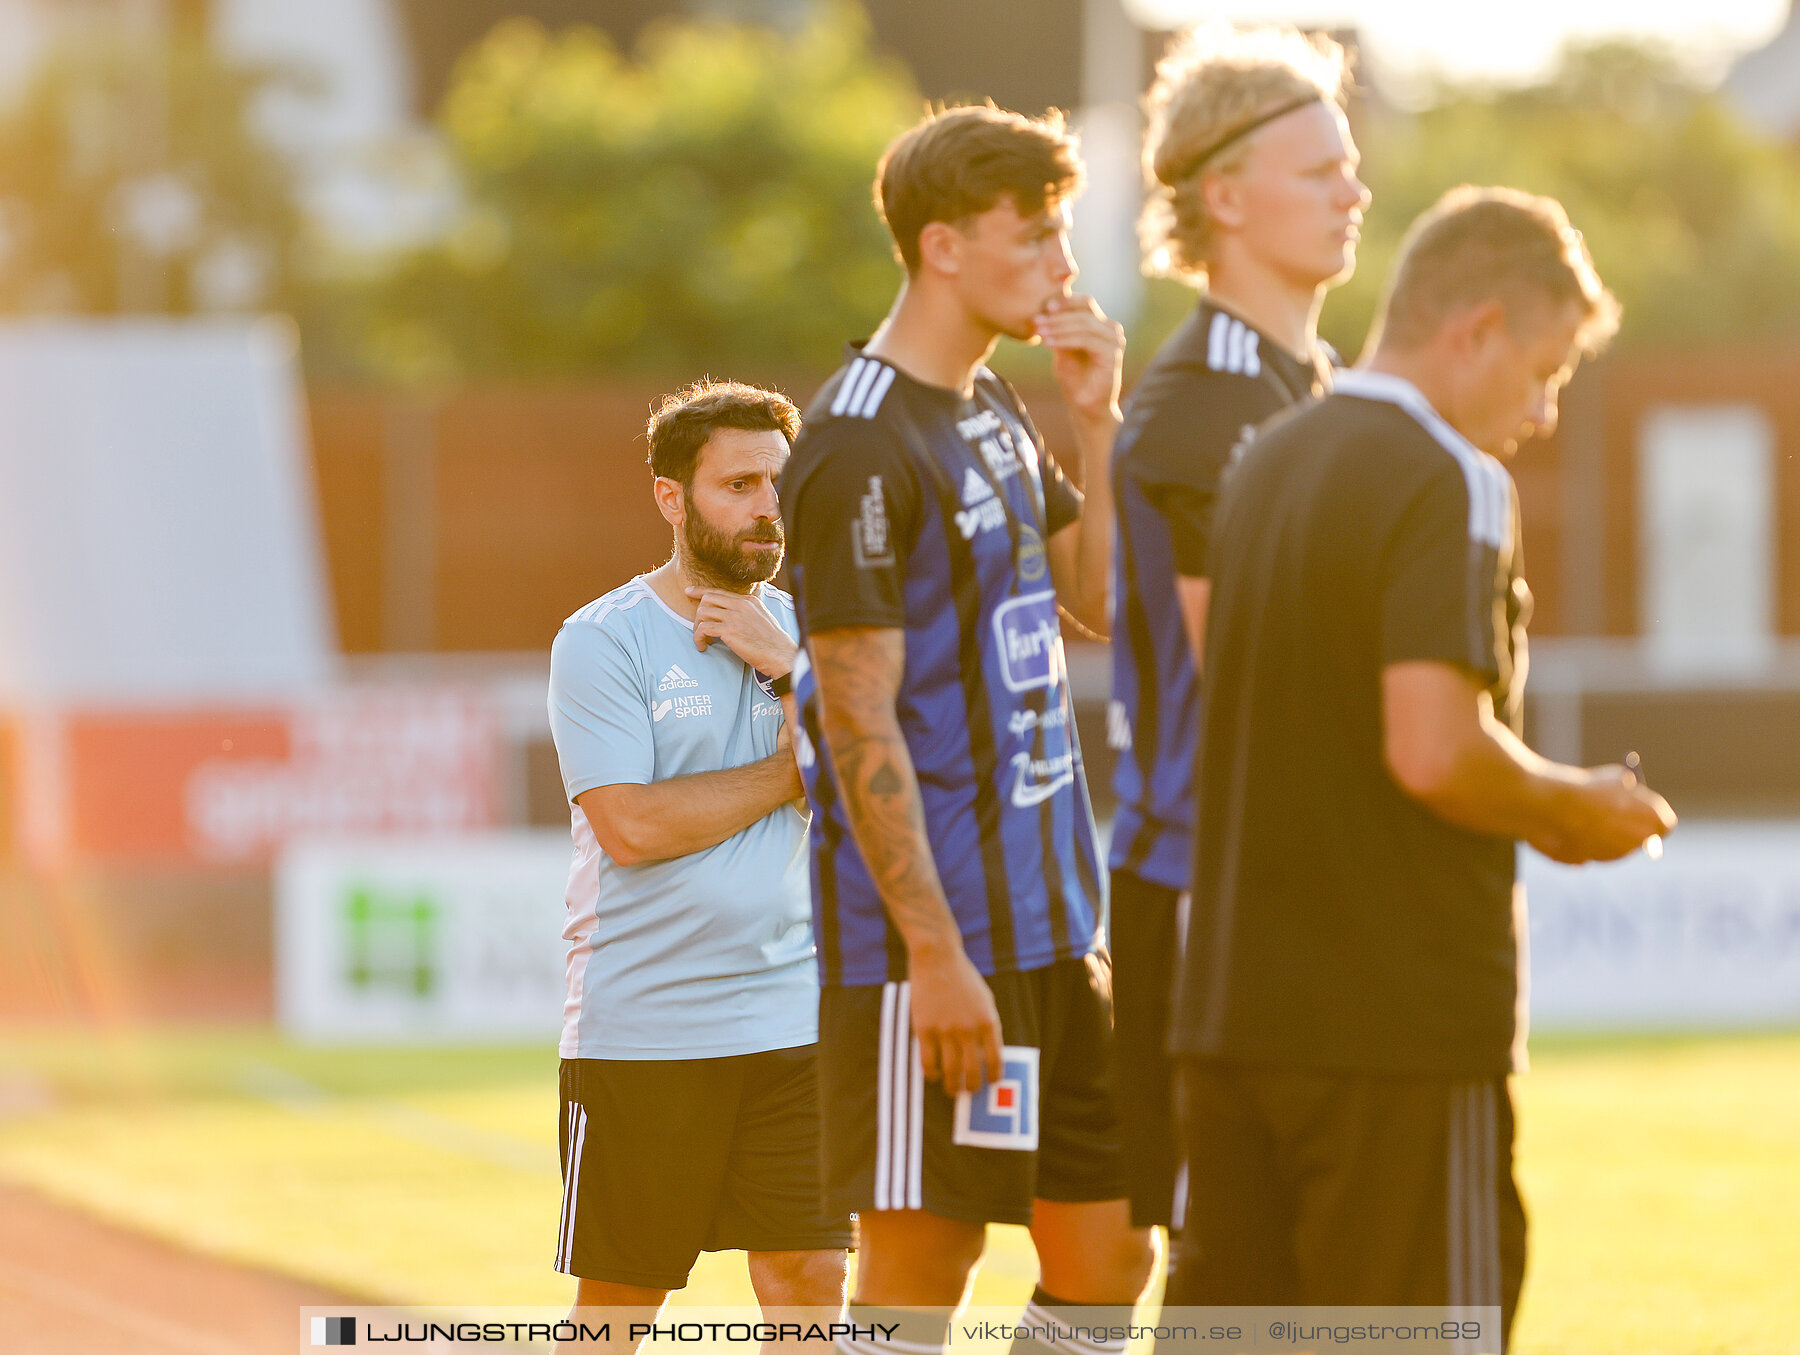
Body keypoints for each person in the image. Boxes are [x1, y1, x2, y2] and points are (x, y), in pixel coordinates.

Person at [1165, 187, 1677, 1346]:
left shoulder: (1263, 462)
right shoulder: (1450, 476)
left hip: (1234, 1013)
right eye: (1545, 371)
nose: (1545, 413)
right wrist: (1575, 806)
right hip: (1390, 1030)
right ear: (1479, 327)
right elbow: (1433, 748)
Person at [778, 105, 1154, 1354]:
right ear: (943, 246)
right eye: (1036, 233)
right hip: (934, 950)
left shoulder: (994, 407)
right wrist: (934, 953)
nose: (1064, 261)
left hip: (1057, 923)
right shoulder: (856, 441)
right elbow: (854, 714)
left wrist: (1095, 421)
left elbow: (1095, 600)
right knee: (924, 1258)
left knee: (1110, 1251)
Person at [1105, 23, 1368, 1236]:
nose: (1352, 191)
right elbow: (1267, 683)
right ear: (1222, 194)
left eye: (1349, 165)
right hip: (1210, 888)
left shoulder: (1307, 388)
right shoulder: (1207, 405)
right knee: (1229, 1263)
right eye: (1319, 171)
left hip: (1292, 880)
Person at [547, 381, 849, 1346]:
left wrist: (790, 668)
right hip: (647, 1029)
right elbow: (631, 826)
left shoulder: (816, 635)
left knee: (809, 1281)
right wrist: (795, 766)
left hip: (796, 1018)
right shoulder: (604, 639)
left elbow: (887, 786)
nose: (769, 506)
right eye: (740, 483)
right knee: (621, 1307)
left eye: (779, 484)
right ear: (672, 498)